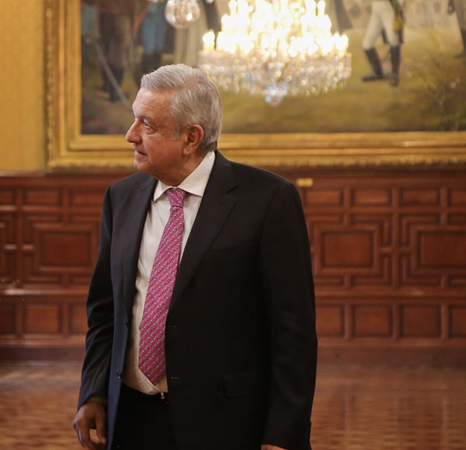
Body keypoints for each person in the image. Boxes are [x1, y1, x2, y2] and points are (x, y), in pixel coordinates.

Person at [72, 64, 317, 450]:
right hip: (130, 419)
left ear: (191, 137)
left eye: (146, 125)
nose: (130, 135)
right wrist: (94, 391)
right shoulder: (120, 198)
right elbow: (105, 313)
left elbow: (294, 334)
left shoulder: (268, 201)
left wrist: (282, 436)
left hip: (226, 425)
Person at [361, 0, 403, 87]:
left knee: (393, 39)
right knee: (367, 43)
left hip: (388, 5)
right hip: (376, 6)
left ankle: (394, 73)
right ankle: (378, 72)